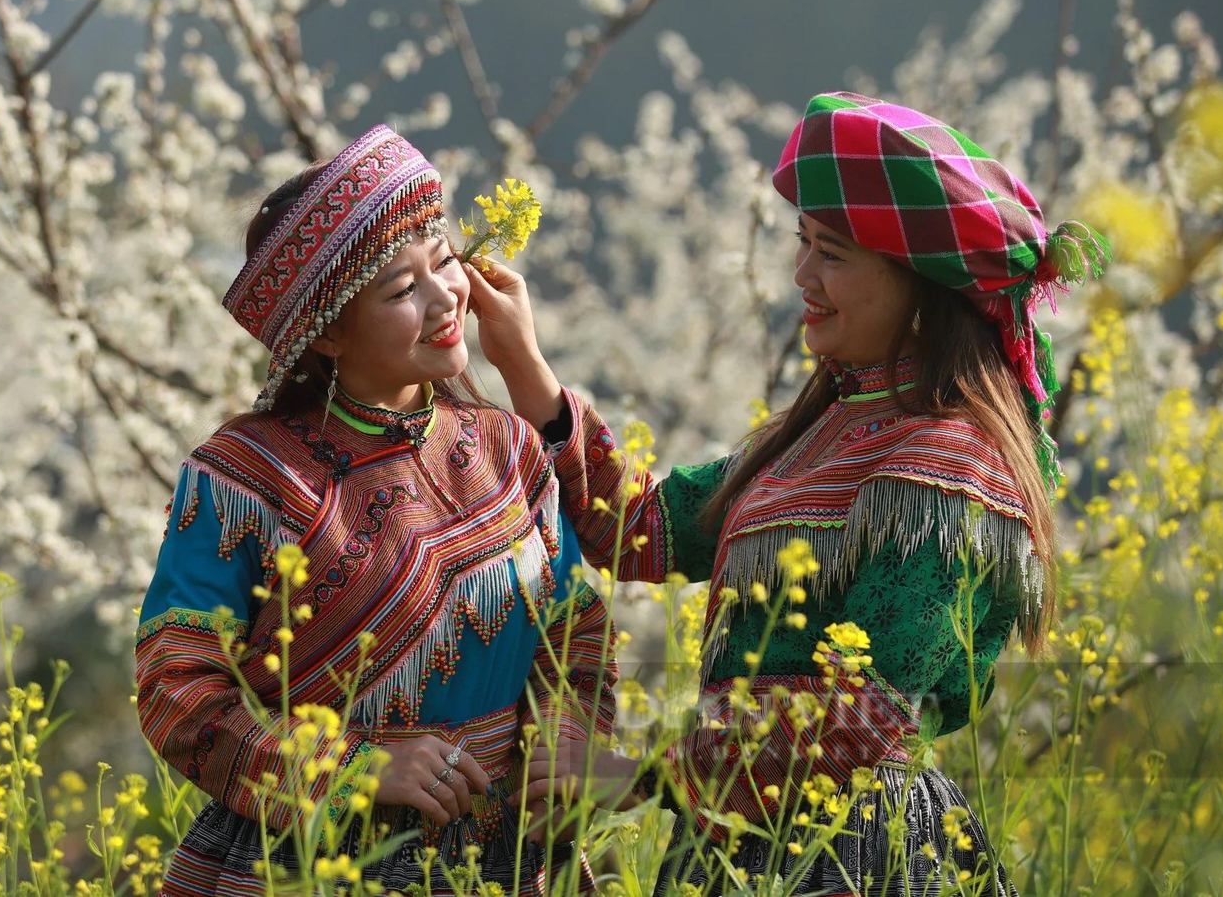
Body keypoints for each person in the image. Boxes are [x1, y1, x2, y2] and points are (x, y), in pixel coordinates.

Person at [515, 93, 1108, 895]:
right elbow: (643, 530)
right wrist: (526, 367)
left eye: (831, 253)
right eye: (803, 244)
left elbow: (866, 715)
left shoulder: (950, 467)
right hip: (740, 843)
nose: (801, 276)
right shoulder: (813, 436)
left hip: (858, 849)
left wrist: (639, 774)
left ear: (917, 280)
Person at [135, 125, 627, 897]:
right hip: (314, 860)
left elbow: (576, 630)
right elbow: (176, 686)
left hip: (506, 856)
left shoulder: (509, 448)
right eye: (402, 291)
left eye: (443, 265)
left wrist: (567, 740)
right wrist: (353, 768)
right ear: (327, 332)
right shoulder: (245, 480)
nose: (444, 301)